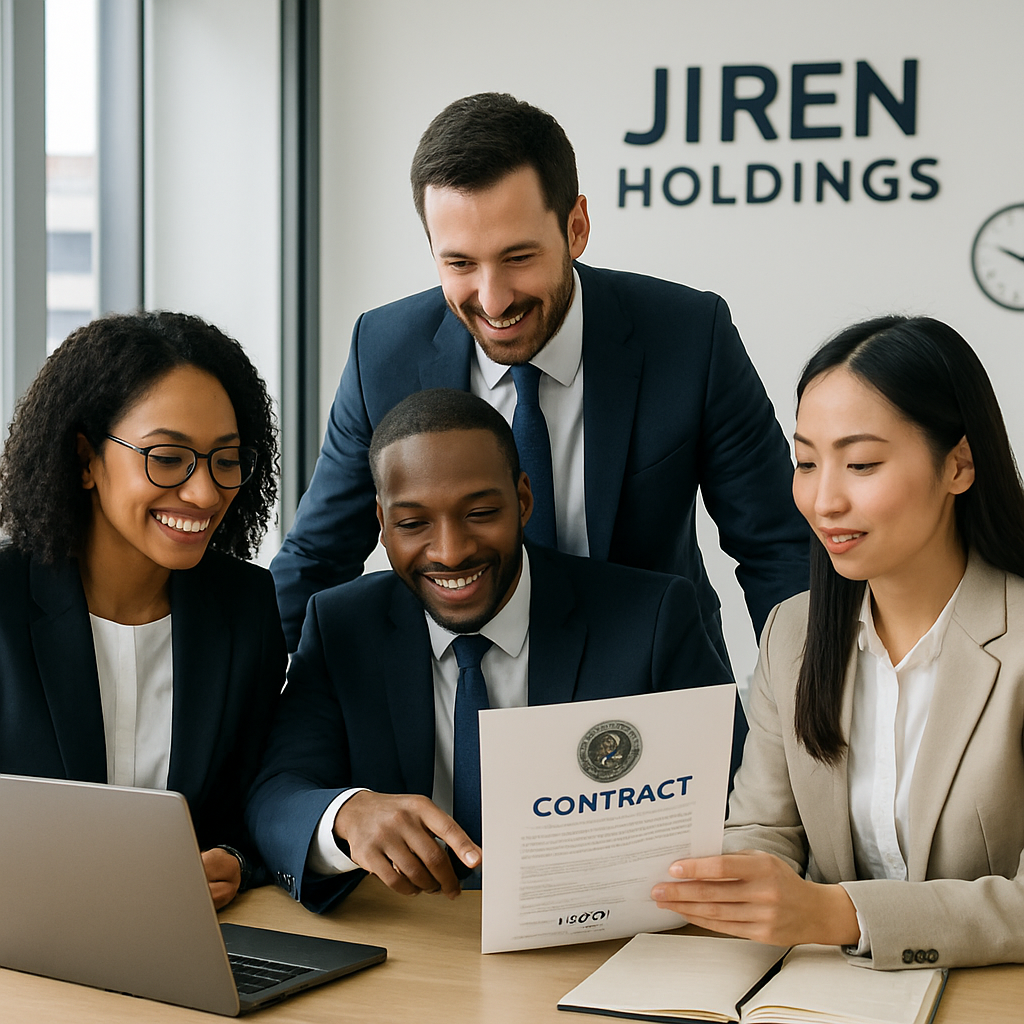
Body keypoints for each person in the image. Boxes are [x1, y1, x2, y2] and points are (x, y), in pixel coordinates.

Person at [270, 91, 809, 660]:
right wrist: (246, 705)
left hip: (654, 684)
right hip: (460, 694)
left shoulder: (689, 336)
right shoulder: (382, 352)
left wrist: (813, 717)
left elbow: (777, 548)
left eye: (518, 257)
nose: (493, 299)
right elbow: (317, 559)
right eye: (459, 263)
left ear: (576, 228)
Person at [247, 389, 745, 914]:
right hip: (415, 949)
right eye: (413, 523)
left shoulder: (653, 618)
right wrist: (346, 813)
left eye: (480, 513)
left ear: (523, 501)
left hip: (607, 941)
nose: (451, 551)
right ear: (382, 523)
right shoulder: (341, 626)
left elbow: (742, 802)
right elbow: (275, 794)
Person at [651, 315, 1024, 969]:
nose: (823, 500)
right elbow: (763, 830)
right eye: (805, 462)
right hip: (823, 996)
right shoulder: (793, 633)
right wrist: (744, 888)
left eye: (861, 464)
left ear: (959, 464)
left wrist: (838, 914)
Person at [0, 311, 286, 909]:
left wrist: (231, 861)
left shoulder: (244, 608)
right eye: (167, 457)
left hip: (184, 946)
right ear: (85, 459)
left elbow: (253, 800)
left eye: (225, 459)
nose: (205, 493)